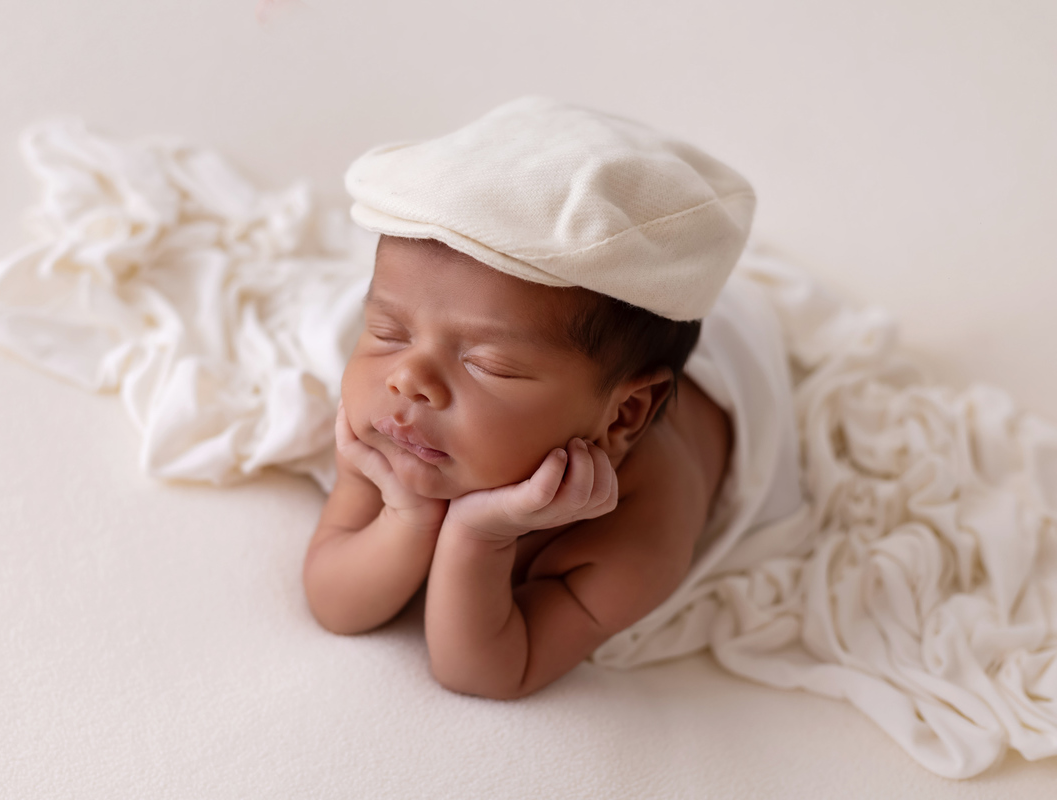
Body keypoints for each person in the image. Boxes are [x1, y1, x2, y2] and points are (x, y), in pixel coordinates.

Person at [301, 97, 802, 699]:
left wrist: (478, 538)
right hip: (589, 350)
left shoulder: (641, 530)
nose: (407, 379)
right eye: (386, 332)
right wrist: (406, 515)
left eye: (486, 365)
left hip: (720, 356)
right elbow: (335, 604)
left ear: (624, 417)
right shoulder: (403, 426)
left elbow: (488, 670)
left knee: (653, 325)